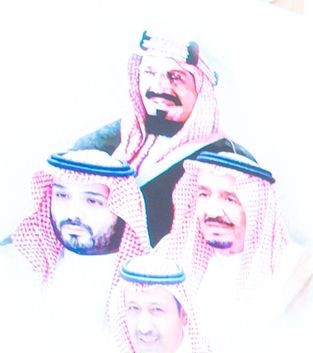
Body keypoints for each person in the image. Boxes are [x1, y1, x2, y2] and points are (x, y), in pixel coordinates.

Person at [73, 32, 235, 244]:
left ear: (200, 89)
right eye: (150, 73)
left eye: (176, 76)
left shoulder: (222, 157)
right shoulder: (106, 140)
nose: (159, 87)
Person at [158, 150, 313, 330]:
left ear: (257, 208)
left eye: (230, 199)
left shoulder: (298, 270)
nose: (212, 211)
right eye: (203, 195)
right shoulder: (169, 253)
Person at [2, 151, 149, 301]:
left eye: (92, 201)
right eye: (62, 196)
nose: (73, 214)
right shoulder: (17, 265)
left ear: (122, 210)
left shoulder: (146, 286)